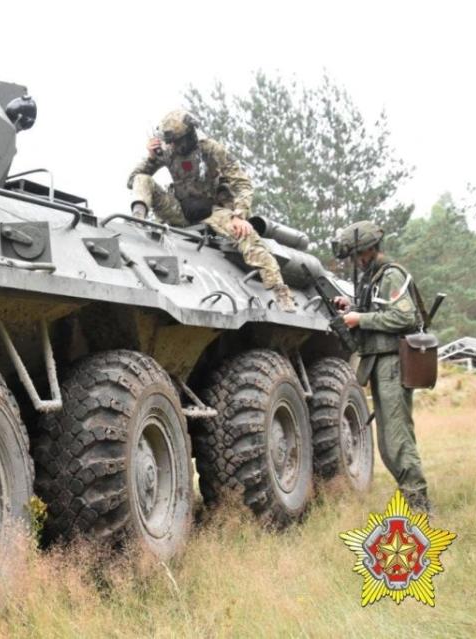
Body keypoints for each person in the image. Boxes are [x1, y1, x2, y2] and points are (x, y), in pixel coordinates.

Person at [127, 110, 295, 312]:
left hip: (213, 211)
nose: (171, 146)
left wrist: (240, 215)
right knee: (142, 180)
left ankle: (281, 292)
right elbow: (133, 180)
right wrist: (152, 158)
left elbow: (242, 183)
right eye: (169, 142)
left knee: (247, 235)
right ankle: (138, 221)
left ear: (188, 136)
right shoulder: (168, 152)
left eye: (175, 141)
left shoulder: (210, 149)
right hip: (179, 210)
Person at [332, 220, 431, 513]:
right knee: (388, 443)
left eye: (356, 256)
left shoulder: (390, 275)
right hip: (379, 364)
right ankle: (413, 499)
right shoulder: (373, 278)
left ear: (368, 250)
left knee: (397, 439)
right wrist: (351, 309)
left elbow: (406, 318)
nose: (355, 262)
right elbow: (379, 311)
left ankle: (419, 506)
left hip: (393, 364)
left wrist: (359, 320)